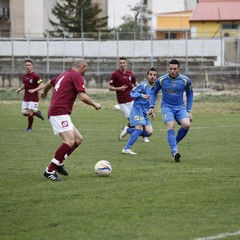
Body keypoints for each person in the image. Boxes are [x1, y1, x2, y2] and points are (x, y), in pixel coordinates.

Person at [41, 58, 101, 181]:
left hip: (59, 112)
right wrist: (95, 104)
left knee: (78, 139)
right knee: (69, 141)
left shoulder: (64, 75)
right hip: (59, 112)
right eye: (86, 69)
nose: (86, 72)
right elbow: (82, 97)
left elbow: (48, 83)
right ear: (83, 66)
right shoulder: (77, 76)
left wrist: (44, 93)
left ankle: (59, 162)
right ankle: (50, 170)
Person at [149, 59, 193, 162]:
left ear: (178, 69)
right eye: (170, 69)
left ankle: (174, 142)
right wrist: (151, 106)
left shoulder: (185, 80)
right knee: (170, 126)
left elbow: (190, 94)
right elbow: (153, 92)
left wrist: (189, 110)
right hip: (167, 107)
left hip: (180, 107)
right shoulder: (161, 80)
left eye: (174, 69)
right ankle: (174, 152)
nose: (172, 71)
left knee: (186, 125)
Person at [109, 57, 149, 142]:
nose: (122, 64)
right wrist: (119, 88)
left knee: (139, 117)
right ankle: (127, 130)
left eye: (124, 63)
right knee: (132, 120)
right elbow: (110, 87)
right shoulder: (115, 74)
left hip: (132, 99)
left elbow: (136, 84)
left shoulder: (130, 73)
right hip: (122, 102)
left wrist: (141, 93)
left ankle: (144, 135)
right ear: (118, 64)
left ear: (126, 64)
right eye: (120, 63)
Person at [121, 67, 158, 155]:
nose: (152, 77)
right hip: (137, 109)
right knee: (139, 129)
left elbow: (150, 101)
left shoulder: (155, 89)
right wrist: (141, 95)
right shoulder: (143, 85)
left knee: (149, 132)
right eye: (150, 75)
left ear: (156, 77)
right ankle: (126, 148)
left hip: (144, 113)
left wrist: (151, 111)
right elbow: (132, 92)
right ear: (147, 76)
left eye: (154, 75)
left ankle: (128, 130)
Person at [16, 59, 44, 132]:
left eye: (29, 65)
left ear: (32, 66)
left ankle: (29, 128)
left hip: (33, 97)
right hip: (26, 97)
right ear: (25, 66)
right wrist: (20, 89)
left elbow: (42, 85)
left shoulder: (35, 76)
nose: (28, 66)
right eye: (26, 65)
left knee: (30, 112)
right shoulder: (24, 76)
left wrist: (34, 90)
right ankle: (37, 113)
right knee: (25, 113)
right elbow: (25, 84)